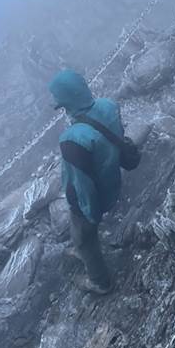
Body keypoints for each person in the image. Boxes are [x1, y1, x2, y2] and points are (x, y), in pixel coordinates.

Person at [49, 68, 129, 294]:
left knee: (84, 238)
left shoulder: (72, 140)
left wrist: (89, 215)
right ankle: (85, 249)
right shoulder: (108, 105)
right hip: (111, 178)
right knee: (84, 236)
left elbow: (82, 184)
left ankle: (100, 281)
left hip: (91, 198)